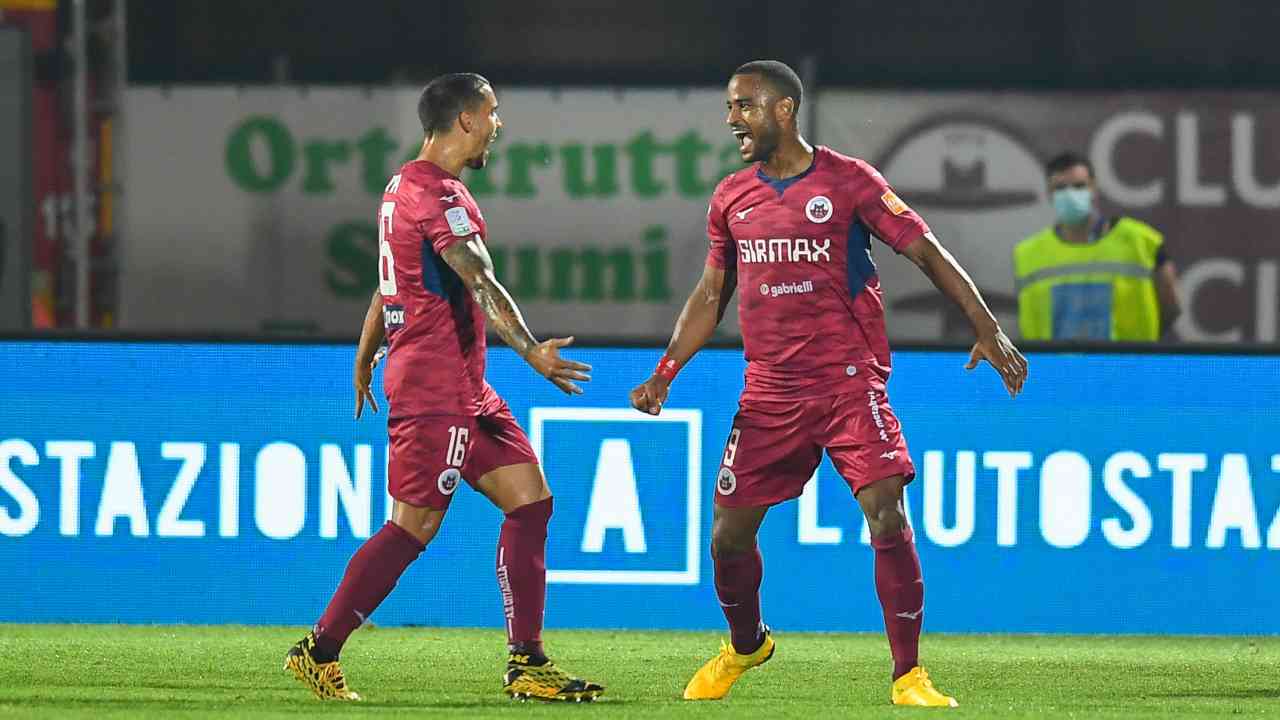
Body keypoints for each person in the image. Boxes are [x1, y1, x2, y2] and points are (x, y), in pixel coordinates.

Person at [630, 60, 1028, 708]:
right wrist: (664, 373)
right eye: (730, 107)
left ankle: (908, 675)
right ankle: (746, 643)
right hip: (769, 393)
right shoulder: (732, 197)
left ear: (784, 110)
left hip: (848, 383)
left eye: (745, 106)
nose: (732, 118)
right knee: (727, 537)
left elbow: (925, 249)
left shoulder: (848, 183)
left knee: (887, 512)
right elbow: (712, 293)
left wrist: (986, 328)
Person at [284, 73, 603, 703]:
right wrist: (532, 349)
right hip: (434, 389)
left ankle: (527, 664)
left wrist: (366, 348)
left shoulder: (401, 185)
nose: (498, 126)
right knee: (413, 527)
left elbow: (390, 280)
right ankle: (318, 650)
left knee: (531, 502)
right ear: (464, 121)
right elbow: (479, 278)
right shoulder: (440, 194)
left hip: (464, 385)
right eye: (492, 114)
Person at [1014, 151, 1181, 341]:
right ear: (1049, 194)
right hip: (1058, 369)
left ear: (1093, 188)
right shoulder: (1028, 254)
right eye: (1060, 188)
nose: (1070, 194)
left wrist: (1139, 350)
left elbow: (1171, 307)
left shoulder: (1142, 242)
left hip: (1127, 367)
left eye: (1079, 186)